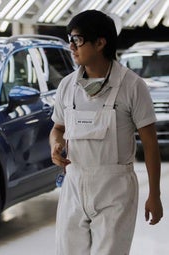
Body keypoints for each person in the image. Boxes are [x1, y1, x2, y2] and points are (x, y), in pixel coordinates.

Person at [49, 10, 163, 255]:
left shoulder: (132, 87)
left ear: (100, 43)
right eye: (69, 38)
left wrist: (155, 194)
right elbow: (58, 128)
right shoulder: (67, 86)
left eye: (77, 39)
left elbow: (150, 143)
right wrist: (55, 146)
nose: (71, 46)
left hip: (115, 189)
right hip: (74, 183)